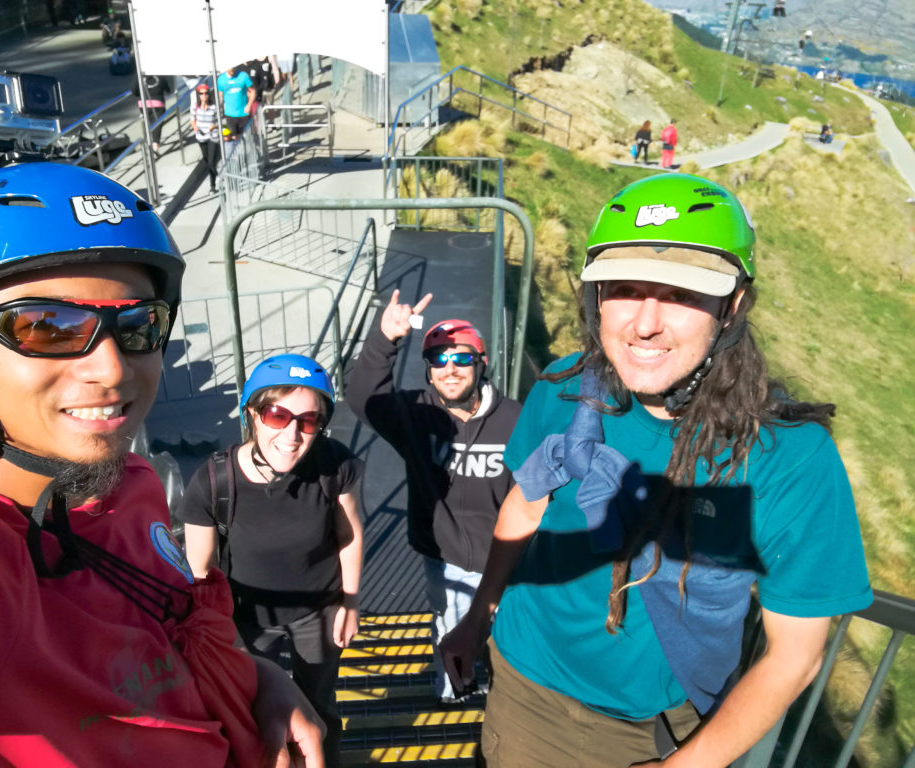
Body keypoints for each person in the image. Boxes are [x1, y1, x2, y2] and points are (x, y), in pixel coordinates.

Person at [0, 161, 325, 767]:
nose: (114, 369)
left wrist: (257, 681)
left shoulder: (133, 486)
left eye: (137, 325)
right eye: (45, 326)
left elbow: (150, 646)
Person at [441, 173, 872, 767]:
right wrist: (479, 614)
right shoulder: (567, 388)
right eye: (624, 289)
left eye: (682, 294)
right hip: (529, 693)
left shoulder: (788, 458)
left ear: (734, 305)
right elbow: (527, 501)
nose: (645, 323)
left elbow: (794, 656)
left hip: (662, 729)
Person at [177, 354, 364, 767]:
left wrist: (350, 603)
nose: (294, 434)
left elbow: (349, 533)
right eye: (277, 415)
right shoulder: (214, 482)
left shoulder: (334, 465)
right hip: (246, 617)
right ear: (252, 415)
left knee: (319, 706)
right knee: (252, 708)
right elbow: (199, 571)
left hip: (318, 611)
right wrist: (214, 634)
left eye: (310, 421)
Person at [346, 292, 520, 701]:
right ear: (428, 371)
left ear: (482, 365)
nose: (450, 368)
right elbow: (362, 400)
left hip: (506, 556)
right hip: (444, 559)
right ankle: (453, 694)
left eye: (461, 358)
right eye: (439, 360)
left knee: (508, 633)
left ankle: (505, 695)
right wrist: (386, 338)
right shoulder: (416, 415)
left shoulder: (515, 419)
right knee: (450, 625)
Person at [191, 82, 221, 193]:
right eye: (202, 94)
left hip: (212, 136)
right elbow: (192, 119)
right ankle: (213, 185)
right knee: (207, 160)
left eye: (206, 93)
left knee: (211, 161)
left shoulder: (214, 107)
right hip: (201, 136)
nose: (204, 96)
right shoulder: (195, 107)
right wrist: (195, 127)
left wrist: (213, 127)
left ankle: (215, 181)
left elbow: (220, 121)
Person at [132, 73, 171, 153]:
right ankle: (155, 143)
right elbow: (167, 88)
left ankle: (149, 141)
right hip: (158, 103)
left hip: (143, 105)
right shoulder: (160, 75)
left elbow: (134, 90)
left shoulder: (139, 76)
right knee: (158, 123)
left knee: (148, 122)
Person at [217, 64, 256, 143]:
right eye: (230, 67)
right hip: (229, 115)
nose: (232, 69)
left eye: (233, 67)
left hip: (243, 113)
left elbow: (253, 91)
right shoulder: (221, 79)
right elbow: (220, 95)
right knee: (234, 138)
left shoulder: (243, 76)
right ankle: (239, 155)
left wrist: (249, 105)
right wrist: (220, 108)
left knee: (248, 138)